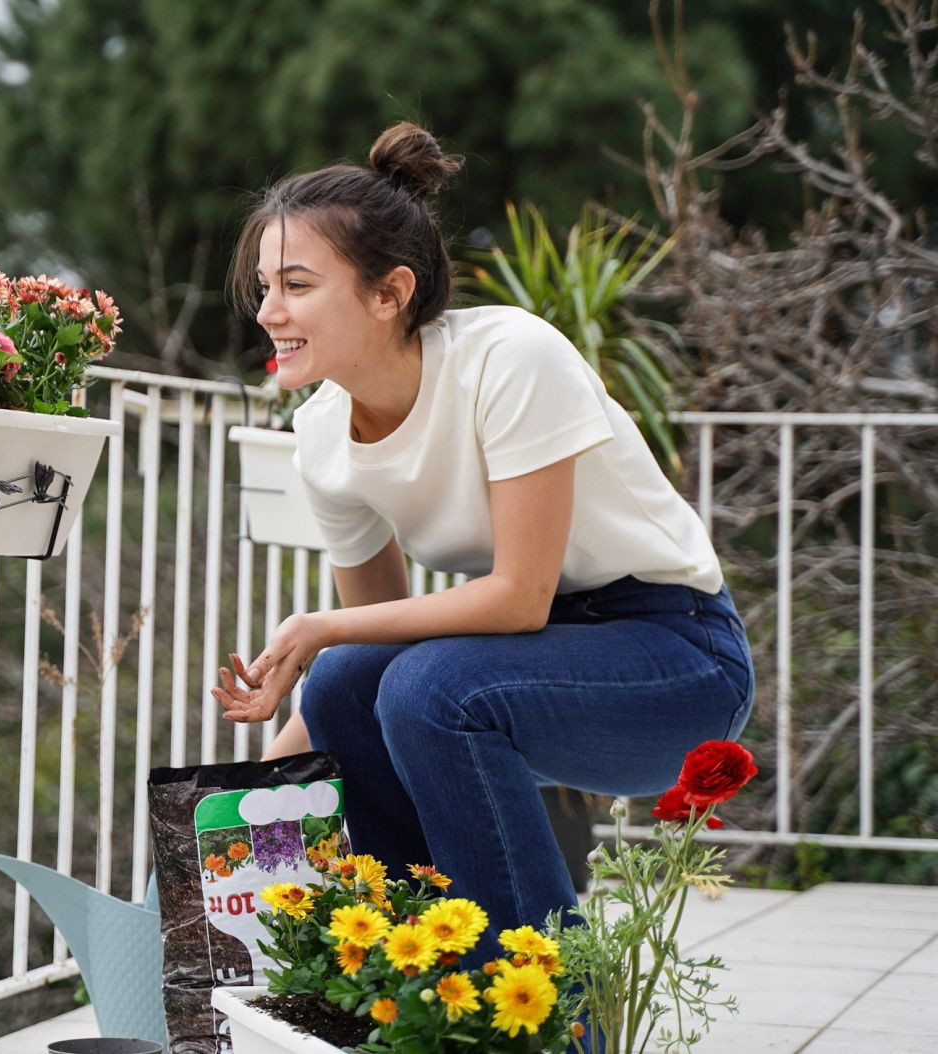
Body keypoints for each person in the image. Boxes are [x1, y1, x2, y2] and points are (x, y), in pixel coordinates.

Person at [211, 122, 754, 962]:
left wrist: (314, 631)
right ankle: (419, 994)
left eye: (296, 284)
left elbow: (518, 597)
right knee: (363, 680)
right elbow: (364, 667)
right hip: (523, 664)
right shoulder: (321, 437)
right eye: (262, 285)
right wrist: (237, 811)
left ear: (389, 293)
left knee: (430, 688)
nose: (268, 311)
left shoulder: (510, 359)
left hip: (674, 657)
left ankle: (557, 1020)